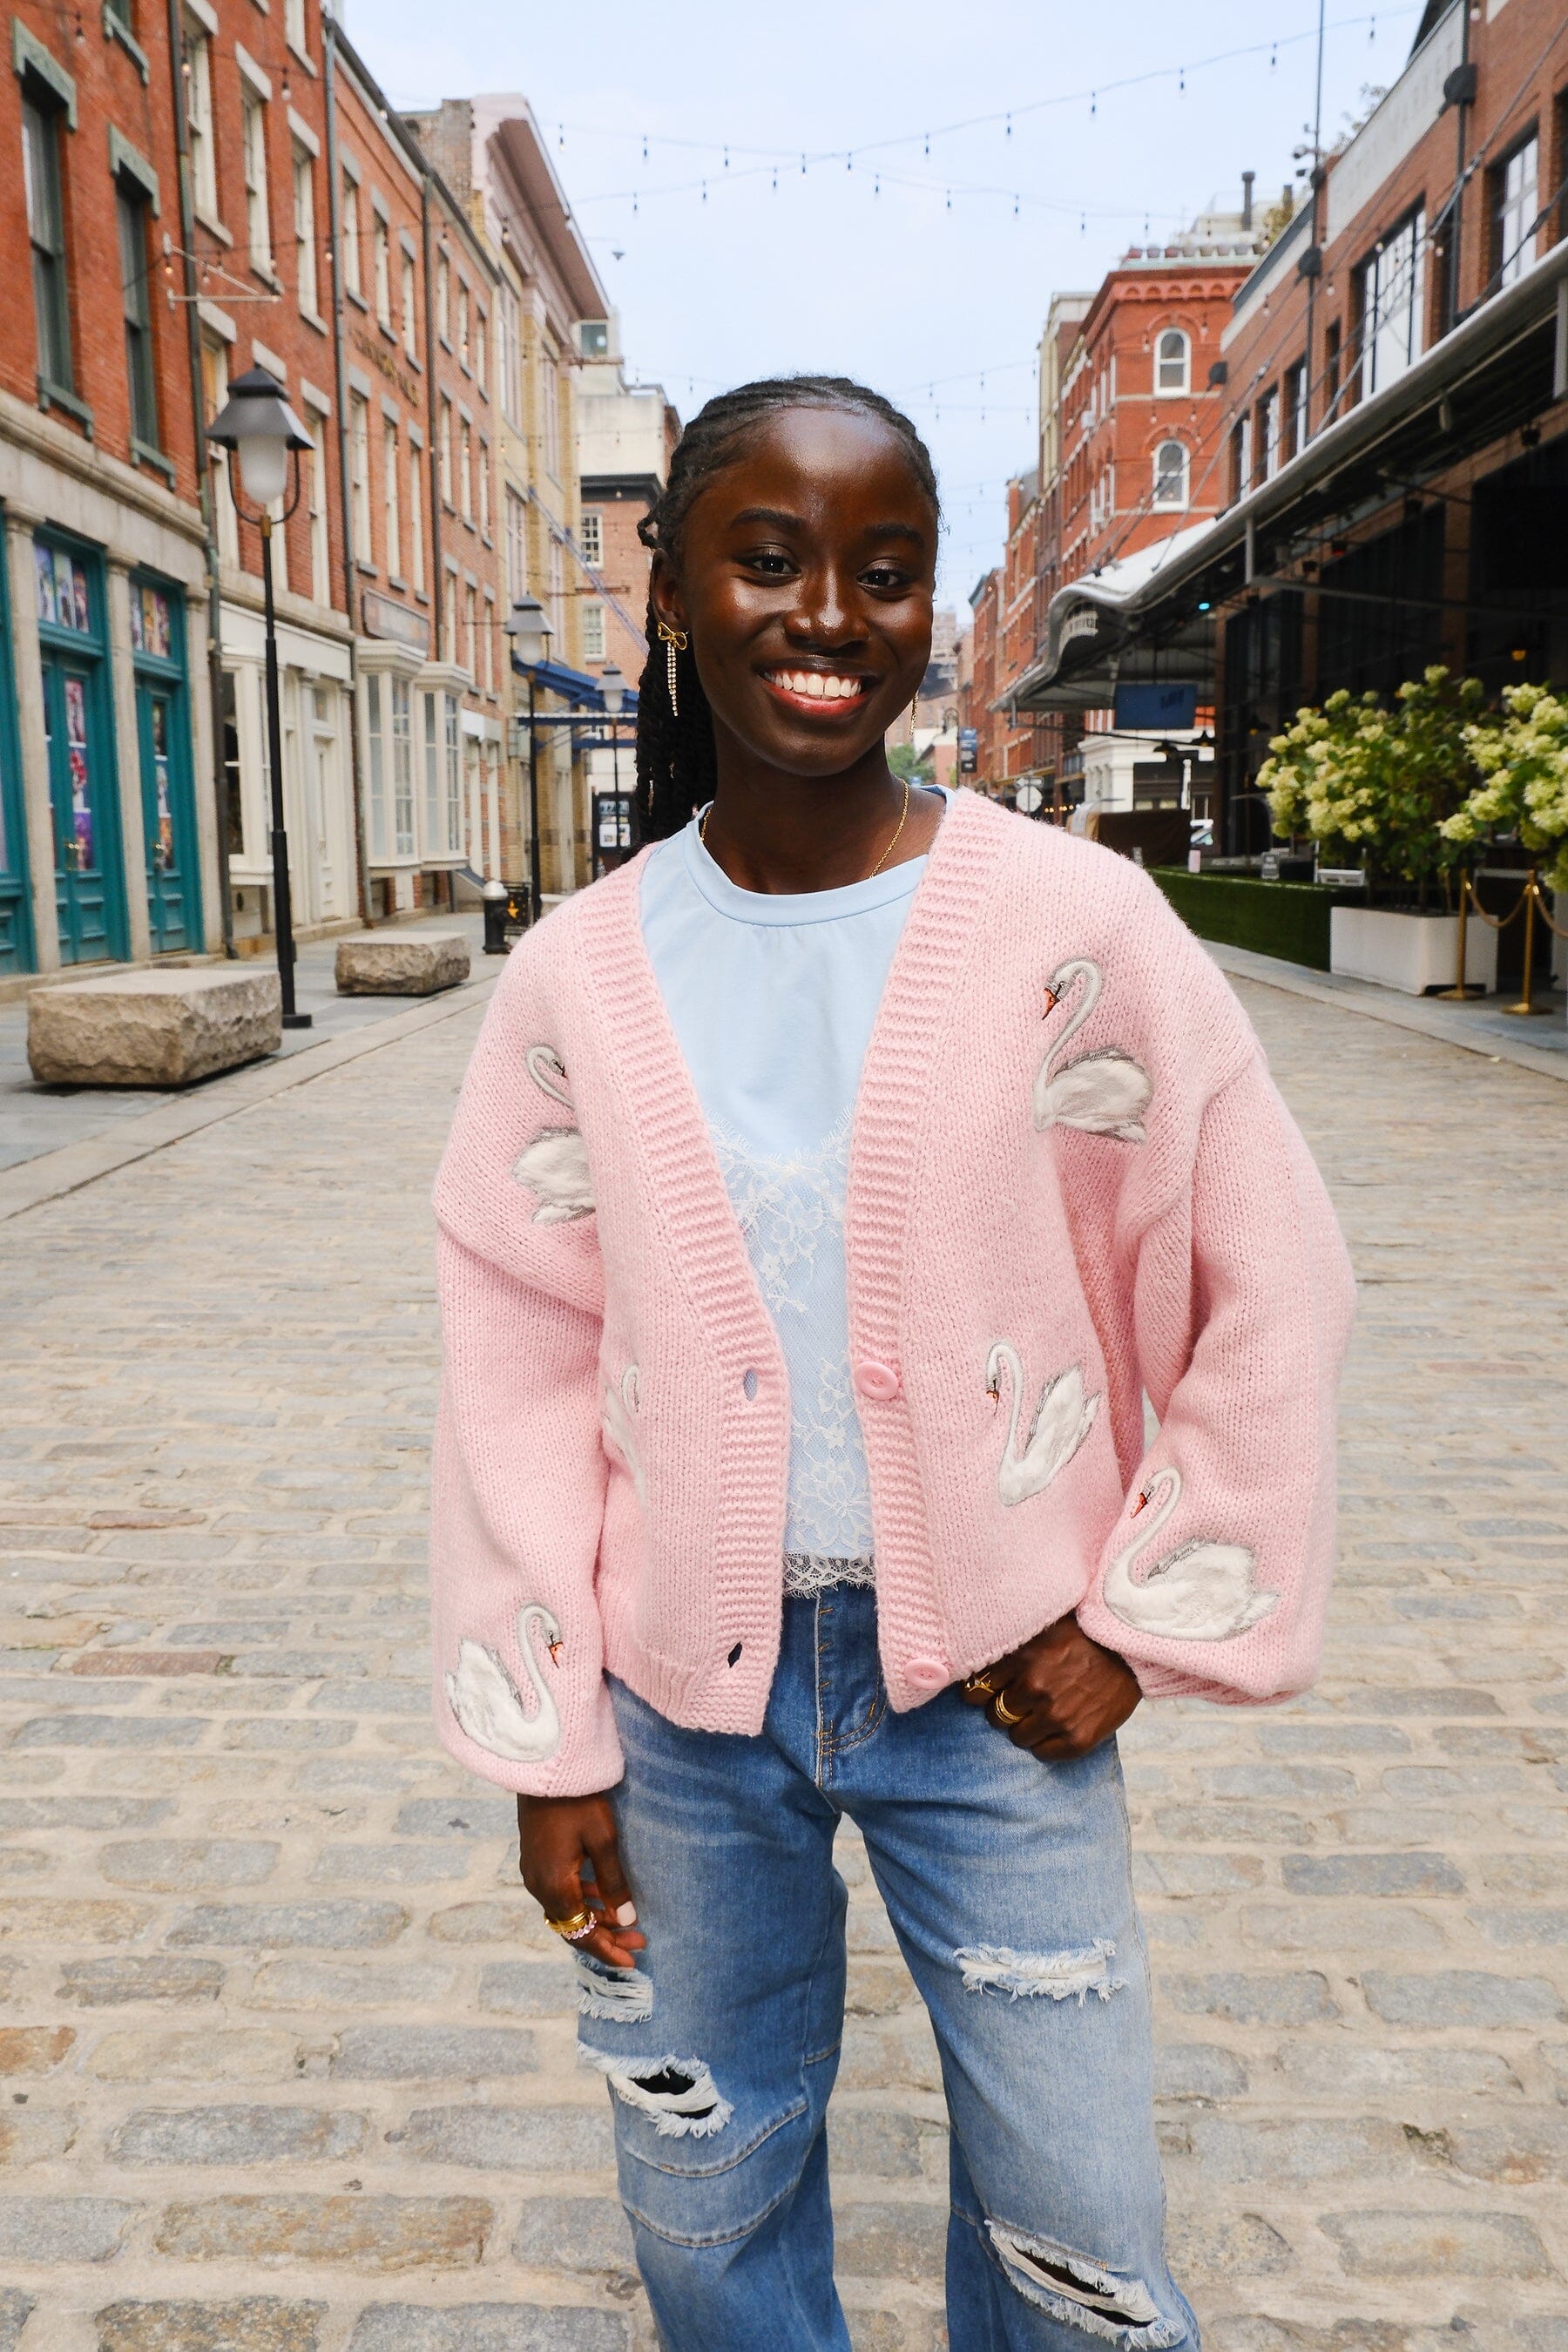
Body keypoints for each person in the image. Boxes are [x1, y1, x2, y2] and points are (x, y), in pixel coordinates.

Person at [430, 375, 1355, 2351]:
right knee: (707, 2174)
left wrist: (1144, 1613)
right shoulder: (578, 974)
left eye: (884, 570)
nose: (826, 615)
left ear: (930, 606)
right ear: (671, 594)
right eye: (767, 560)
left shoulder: (1072, 926)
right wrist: (546, 1740)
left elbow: (1272, 1275)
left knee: (1080, 2223)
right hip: (679, 1703)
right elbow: (513, 1348)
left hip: (998, 1690)